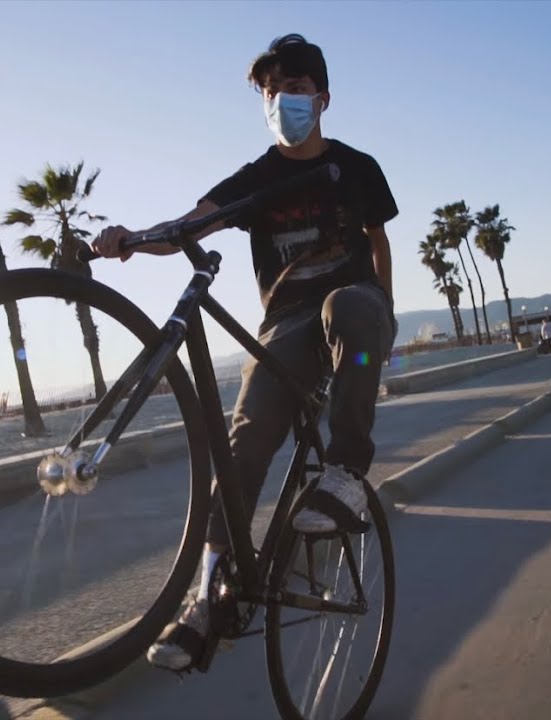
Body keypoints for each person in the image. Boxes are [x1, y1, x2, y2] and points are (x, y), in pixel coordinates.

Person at [91, 34, 398, 671]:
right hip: (284, 325)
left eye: (292, 88)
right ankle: (206, 600)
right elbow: (189, 228)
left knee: (352, 308)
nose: (280, 101)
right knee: (245, 442)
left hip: (353, 305)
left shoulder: (358, 168)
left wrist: (385, 319)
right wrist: (130, 240)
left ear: (322, 98)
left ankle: (345, 472)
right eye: (269, 92)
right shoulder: (256, 180)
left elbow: (378, 243)